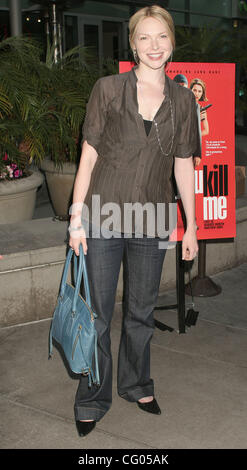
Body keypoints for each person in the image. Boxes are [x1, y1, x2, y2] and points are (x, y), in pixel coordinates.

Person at [69, 4, 200, 437]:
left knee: (142, 311)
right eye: (144, 37)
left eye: (161, 36)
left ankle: (137, 383)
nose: (154, 46)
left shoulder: (183, 99)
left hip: (154, 216)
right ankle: (92, 397)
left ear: (172, 41)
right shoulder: (108, 89)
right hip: (103, 214)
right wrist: (75, 218)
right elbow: (88, 159)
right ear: (132, 43)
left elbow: (184, 166)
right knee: (99, 314)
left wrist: (191, 227)